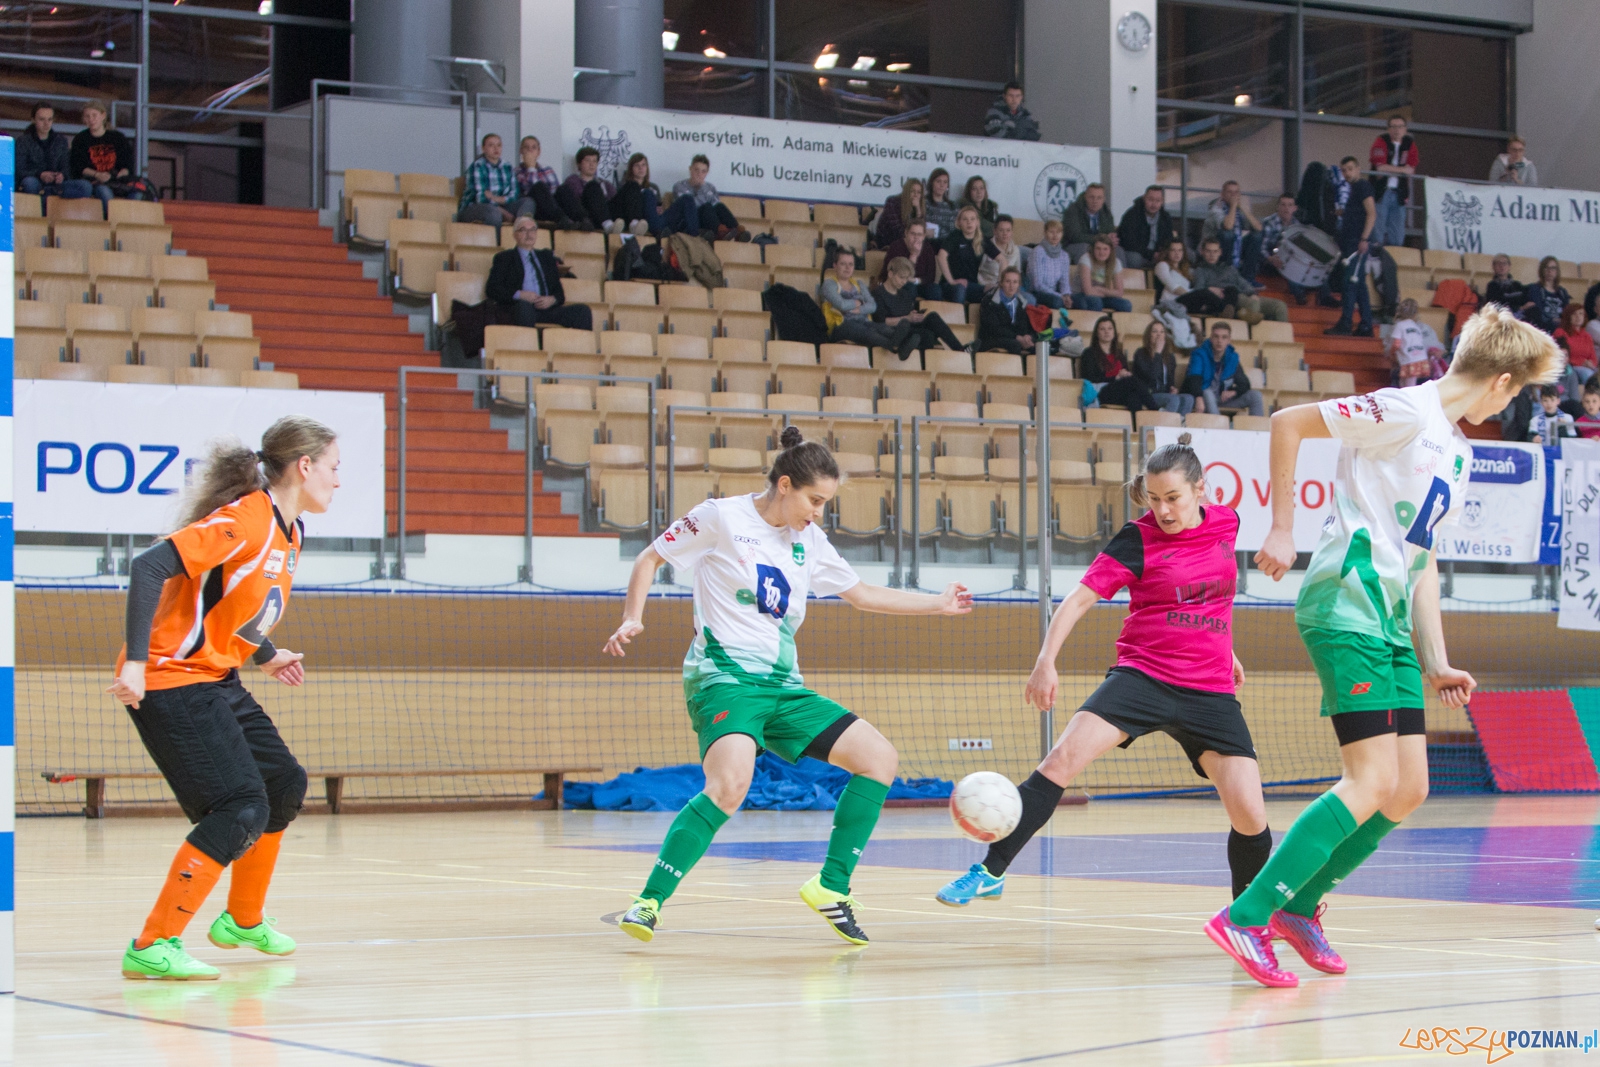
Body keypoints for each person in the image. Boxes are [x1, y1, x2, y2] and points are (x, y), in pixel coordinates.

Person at [1222, 307, 1562, 987]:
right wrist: (1282, 527)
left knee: (1408, 788)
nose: (1510, 404)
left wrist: (1436, 659)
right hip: (1346, 603)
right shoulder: (1405, 409)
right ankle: (1247, 914)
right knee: (1370, 779)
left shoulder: (1458, 453)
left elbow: (1422, 560)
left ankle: (1299, 907)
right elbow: (1288, 423)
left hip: (1391, 620)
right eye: (1517, 391)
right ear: (1501, 381)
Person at [606, 429, 973, 945]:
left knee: (879, 759)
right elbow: (650, 558)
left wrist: (937, 604)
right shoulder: (721, 517)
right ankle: (648, 901)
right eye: (814, 500)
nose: (819, 513)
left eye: (826, 503)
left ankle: (831, 887)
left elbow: (862, 594)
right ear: (785, 485)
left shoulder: (809, 541)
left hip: (783, 688)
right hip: (725, 680)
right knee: (730, 785)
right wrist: (633, 617)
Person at [935, 437, 1274, 921]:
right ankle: (989, 872)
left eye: (1173, 498)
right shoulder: (1137, 539)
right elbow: (1078, 600)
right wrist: (1046, 660)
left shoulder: (1227, 523)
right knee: (1060, 761)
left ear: (1201, 489)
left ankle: (1247, 920)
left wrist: (1226, 648)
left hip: (1210, 689)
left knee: (1251, 816)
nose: (1163, 510)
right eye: (1153, 499)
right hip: (1144, 677)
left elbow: (1211, 595)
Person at [109, 417, 339, 980]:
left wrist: (266, 654)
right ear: (304, 466)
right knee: (239, 807)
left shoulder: (292, 531)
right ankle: (153, 944)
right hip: (170, 678)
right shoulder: (245, 519)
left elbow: (233, 605)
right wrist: (136, 662)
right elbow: (148, 566)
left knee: (283, 783)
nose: (338, 480)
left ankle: (242, 919)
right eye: (334, 468)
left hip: (215, 676)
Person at [486, 216, 594, 330]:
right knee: (524, 308)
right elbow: (492, 289)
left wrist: (552, 300)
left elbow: (560, 294)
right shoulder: (504, 258)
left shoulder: (546, 257)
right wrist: (519, 295)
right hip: (520, 309)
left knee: (582, 311)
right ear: (515, 235)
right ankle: (528, 341)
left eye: (532, 229)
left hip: (547, 309)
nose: (529, 234)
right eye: (523, 230)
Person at [872, 256, 966, 359]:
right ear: (890, 274)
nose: (904, 282)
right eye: (901, 277)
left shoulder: (904, 294)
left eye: (906, 278)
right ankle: (923, 362)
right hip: (894, 331)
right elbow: (881, 321)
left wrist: (914, 316)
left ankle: (961, 350)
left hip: (909, 327)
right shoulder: (878, 294)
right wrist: (907, 318)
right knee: (927, 335)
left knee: (932, 317)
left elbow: (908, 314)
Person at [1324, 157, 1377, 338]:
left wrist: (1364, 239)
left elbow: (1371, 213)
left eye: (1350, 169)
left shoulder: (1362, 186)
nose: (1347, 173)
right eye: (1344, 170)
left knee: (1349, 283)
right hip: (1352, 241)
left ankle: (1346, 323)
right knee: (1359, 284)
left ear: (1358, 169)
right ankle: (1366, 325)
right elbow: (1361, 213)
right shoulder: (1355, 189)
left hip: (1356, 242)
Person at [820, 253, 911, 352]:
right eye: (843, 264)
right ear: (835, 266)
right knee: (866, 331)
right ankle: (895, 346)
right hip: (840, 325)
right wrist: (859, 302)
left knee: (882, 328)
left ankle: (905, 341)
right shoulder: (829, 284)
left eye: (851, 264)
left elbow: (873, 306)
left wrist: (859, 309)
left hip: (863, 322)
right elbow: (842, 305)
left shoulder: (859, 284)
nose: (847, 268)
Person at [1190, 238, 1289, 324]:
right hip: (1227, 299)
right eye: (1208, 251)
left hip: (1243, 295)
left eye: (1215, 251)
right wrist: (1209, 289)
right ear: (1202, 252)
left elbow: (1243, 283)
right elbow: (1198, 290)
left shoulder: (1228, 268)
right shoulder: (1200, 270)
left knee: (1280, 306)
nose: (1212, 255)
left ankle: (1282, 339)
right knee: (1253, 304)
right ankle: (1251, 337)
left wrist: (1252, 293)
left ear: (1220, 252)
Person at [17, 101, 89, 206]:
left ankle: (46, 197)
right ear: (33, 120)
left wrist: (61, 175)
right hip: (36, 181)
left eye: (49, 119)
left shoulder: (61, 141)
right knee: (30, 183)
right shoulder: (23, 141)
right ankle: (47, 202)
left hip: (56, 184)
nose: (46, 123)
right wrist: (40, 175)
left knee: (85, 186)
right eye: (42, 119)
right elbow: (19, 169)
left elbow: (66, 167)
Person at [1186, 321, 1265, 416]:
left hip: (1222, 399)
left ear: (1229, 340)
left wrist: (1233, 392)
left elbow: (1244, 384)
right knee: (1207, 392)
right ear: (1211, 338)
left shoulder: (1232, 357)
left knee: (1255, 395)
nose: (1219, 341)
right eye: (1216, 336)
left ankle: (1257, 425)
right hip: (1202, 398)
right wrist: (1198, 397)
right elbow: (1194, 380)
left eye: (1224, 337)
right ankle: (1218, 424)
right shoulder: (1199, 354)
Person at [1080, 316, 1157, 411]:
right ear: (1097, 333)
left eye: (1110, 328)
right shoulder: (1089, 353)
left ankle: (1135, 420)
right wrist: (1115, 378)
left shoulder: (1119, 354)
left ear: (1114, 332)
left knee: (1134, 397)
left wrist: (1126, 374)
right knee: (1132, 381)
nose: (1107, 332)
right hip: (1101, 391)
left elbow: (1126, 375)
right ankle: (1155, 410)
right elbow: (1089, 378)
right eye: (1102, 329)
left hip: (1119, 391)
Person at [69, 100, 134, 211]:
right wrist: (97, 174)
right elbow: (78, 166)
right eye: (87, 116)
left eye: (94, 115)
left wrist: (123, 172)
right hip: (94, 182)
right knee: (104, 191)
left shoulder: (118, 138)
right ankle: (111, 219)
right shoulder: (80, 139)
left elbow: (128, 163)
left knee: (136, 193)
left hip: (117, 181)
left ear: (103, 116)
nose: (91, 119)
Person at [665, 154, 748, 241]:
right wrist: (701, 188)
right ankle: (720, 231)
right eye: (696, 170)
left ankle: (738, 231)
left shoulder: (710, 187)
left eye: (703, 171)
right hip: (689, 222)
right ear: (690, 169)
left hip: (707, 221)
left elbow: (715, 205)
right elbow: (691, 206)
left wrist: (703, 187)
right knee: (707, 207)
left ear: (707, 173)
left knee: (719, 206)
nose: (699, 174)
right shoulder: (680, 186)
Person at [1368, 116, 1417, 250]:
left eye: (1400, 126)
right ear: (1388, 129)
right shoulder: (1380, 141)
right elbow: (1380, 167)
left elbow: (1411, 170)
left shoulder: (1409, 143)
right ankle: (1375, 257)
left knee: (1398, 235)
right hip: (1381, 193)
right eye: (1393, 126)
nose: (1397, 130)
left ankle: (1393, 259)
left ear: (1405, 129)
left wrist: (1392, 169)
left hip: (1400, 194)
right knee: (1377, 231)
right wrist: (1402, 170)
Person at [1201, 181, 1263, 282]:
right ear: (1222, 194)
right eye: (1230, 192)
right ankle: (1227, 275)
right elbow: (1228, 226)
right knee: (1227, 234)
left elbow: (1258, 228)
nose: (1233, 196)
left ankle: (1249, 278)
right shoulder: (1215, 209)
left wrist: (1244, 208)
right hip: (1214, 251)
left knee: (1257, 235)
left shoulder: (1239, 210)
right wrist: (1234, 206)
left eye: (1236, 192)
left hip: (1235, 248)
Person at [510, 135, 576, 228]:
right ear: (521, 151)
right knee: (539, 187)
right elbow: (528, 190)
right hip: (536, 208)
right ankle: (561, 218)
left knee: (563, 189)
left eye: (534, 147)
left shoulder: (547, 169)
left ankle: (581, 220)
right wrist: (531, 168)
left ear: (538, 151)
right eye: (526, 147)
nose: (530, 150)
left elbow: (555, 192)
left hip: (552, 207)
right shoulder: (516, 172)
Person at [1133, 320, 1194, 415]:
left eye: (1162, 332)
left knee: (1188, 398)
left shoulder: (1170, 357)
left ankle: (1180, 422)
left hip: (1164, 393)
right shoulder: (1140, 354)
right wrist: (1157, 353)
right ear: (1149, 335)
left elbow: (1170, 381)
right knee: (1173, 400)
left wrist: (1172, 389)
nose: (1159, 335)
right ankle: (1164, 423)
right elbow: (1151, 376)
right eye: (1155, 331)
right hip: (1148, 394)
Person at [458, 133, 518, 229]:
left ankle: (522, 232)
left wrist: (495, 198)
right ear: (483, 148)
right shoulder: (478, 166)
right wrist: (504, 213)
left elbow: (514, 194)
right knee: (493, 212)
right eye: (491, 145)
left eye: (499, 145)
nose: (496, 148)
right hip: (474, 208)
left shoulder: (508, 166)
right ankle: (496, 239)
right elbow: (481, 198)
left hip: (501, 204)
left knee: (527, 202)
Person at [1260, 194, 1310, 301]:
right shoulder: (1269, 223)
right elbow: (1261, 248)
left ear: (1295, 208)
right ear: (1277, 207)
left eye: (1290, 205)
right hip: (1269, 261)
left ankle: (1324, 295)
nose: (1286, 208)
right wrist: (1270, 258)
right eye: (1283, 205)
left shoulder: (1297, 225)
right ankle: (1298, 293)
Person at [557, 146, 616, 233]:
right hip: (587, 217)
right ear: (579, 164)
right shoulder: (572, 181)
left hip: (607, 214)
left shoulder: (606, 184)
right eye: (588, 160)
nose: (592, 164)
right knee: (592, 187)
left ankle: (631, 224)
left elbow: (613, 200)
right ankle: (608, 225)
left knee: (631, 186)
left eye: (594, 161)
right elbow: (575, 201)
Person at [977, 268, 1036, 355]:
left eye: (1015, 282)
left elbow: (1023, 326)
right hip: (991, 339)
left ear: (1019, 284)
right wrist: (1017, 337)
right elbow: (993, 328)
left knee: (1037, 346)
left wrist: (1026, 337)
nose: (1011, 286)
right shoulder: (990, 301)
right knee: (1015, 345)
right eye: (1008, 281)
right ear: (1001, 283)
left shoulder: (1021, 302)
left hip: (1013, 338)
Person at [935, 205, 986, 305]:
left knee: (993, 292)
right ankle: (958, 315)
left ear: (977, 222)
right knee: (960, 289)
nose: (969, 222)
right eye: (965, 219)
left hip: (971, 285)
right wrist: (951, 281)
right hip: (951, 285)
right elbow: (941, 256)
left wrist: (999, 282)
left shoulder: (981, 239)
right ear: (959, 222)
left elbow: (1002, 259)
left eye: (972, 219)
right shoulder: (954, 236)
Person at [1388, 299, 1445, 388]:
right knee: (1408, 384)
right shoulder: (1410, 327)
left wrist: (1436, 353)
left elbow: (1396, 345)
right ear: (1415, 314)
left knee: (1408, 386)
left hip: (1412, 362)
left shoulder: (1423, 328)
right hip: (1416, 362)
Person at [1117, 185, 1176, 270]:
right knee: (1134, 259)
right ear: (1144, 198)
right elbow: (1129, 242)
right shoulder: (1132, 215)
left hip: (1158, 253)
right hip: (1138, 253)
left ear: (1162, 201)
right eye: (1150, 200)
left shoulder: (1165, 217)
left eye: (1158, 200)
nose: (1154, 204)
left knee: (1182, 253)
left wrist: (1162, 252)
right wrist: (1151, 254)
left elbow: (1168, 238)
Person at [878, 219, 940, 296]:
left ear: (924, 236)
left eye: (919, 234)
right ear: (906, 233)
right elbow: (890, 272)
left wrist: (915, 280)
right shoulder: (896, 247)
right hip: (900, 284)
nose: (916, 237)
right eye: (913, 233)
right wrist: (913, 255)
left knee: (935, 290)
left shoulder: (928, 248)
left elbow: (931, 277)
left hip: (920, 283)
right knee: (910, 288)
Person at [609, 152, 666, 237]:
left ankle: (656, 230)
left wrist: (659, 209)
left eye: (643, 165)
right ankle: (635, 225)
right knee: (635, 186)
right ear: (631, 169)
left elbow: (658, 206)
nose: (641, 168)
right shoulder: (625, 186)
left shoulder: (653, 188)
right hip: (629, 219)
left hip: (649, 219)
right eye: (637, 165)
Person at [977, 215, 1030, 302]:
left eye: (1008, 230)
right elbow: (978, 270)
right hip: (988, 286)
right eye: (1001, 230)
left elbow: (1017, 273)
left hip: (1010, 287)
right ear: (995, 231)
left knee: (1030, 300)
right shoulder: (987, 247)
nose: (1005, 233)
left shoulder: (1015, 250)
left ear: (1012, 232)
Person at [1075, 236, 1133, 312]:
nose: (1101, 252)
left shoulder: (1116, 262)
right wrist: (1108, 292)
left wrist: (1100, 289)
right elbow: (1088, 291)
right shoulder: (1086, 259)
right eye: (1098, 248)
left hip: (1102, 296)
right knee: (1096, 302)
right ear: (1093, 249)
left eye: (1105, 249)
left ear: (1110, 250)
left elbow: (1119, 292)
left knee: (1126, 304)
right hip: (1080, 295)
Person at [1028, 219, 1075, 310]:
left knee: (1077, 302)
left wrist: (1066, 296)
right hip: (1038, 293)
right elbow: (1037, 285)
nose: (1055, 235)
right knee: (1057, 302)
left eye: (1058, 232)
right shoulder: (1038, 252)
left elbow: (1064, 282)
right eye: (1051, 232)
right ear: (1045, 233)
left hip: (1055, 293)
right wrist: (1059, 296)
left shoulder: (1064, 255)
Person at [1063, 183, 1118, 261]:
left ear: (1103, 199)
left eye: (1099, 198)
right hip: (1073, 246)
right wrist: (1100, 239)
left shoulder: (1106, 212)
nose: (1095, 201)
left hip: (1099, 245)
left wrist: (1112, 238)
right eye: (1092, 197)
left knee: (1118, 251)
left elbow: (1110, 232)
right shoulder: (1073, 210)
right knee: (1084, 248)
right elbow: (1075, 236)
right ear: (1085, 197)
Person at [1556, 303, 1597, 398]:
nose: (1578, 317)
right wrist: (1581, 363)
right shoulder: (1561, 332)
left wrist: (1591, 364)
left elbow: (1593, 357)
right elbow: (1561, 355)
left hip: (1586, 367)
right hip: (1569, 367)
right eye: (1574, 314)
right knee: (1588, 374)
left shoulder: (1587, 336)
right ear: (1568, 316)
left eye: (1581, 314)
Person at [1522, 256, 1570, 333]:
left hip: (1560, 328)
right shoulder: (1535, 289)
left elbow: (1567, 312)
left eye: (1553, 268)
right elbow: (1538, 312)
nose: (1549, 271)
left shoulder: (1562, 292)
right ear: (1542, 270)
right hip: (1543, 327)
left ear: (1557, 271)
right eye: (1546, 268)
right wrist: (1552, 320)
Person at [876, 177, 924, 249]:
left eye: (919, 192)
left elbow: (921, 229)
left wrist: (918, 210)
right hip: (889, 240)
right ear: (906, 191)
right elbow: (896, 230)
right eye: (912, 191)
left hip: (909, 240)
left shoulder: (917, 206)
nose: (915, 195)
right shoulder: (892, 201)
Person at [924, 168, 958, 240]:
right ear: (932, 183)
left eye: (945, 182)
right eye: (938, 181)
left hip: (947, 244)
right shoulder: (924, 203)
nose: (942, 185)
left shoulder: (953, 206)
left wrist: (936, 232)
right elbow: (924, 227)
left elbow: (954, 229)